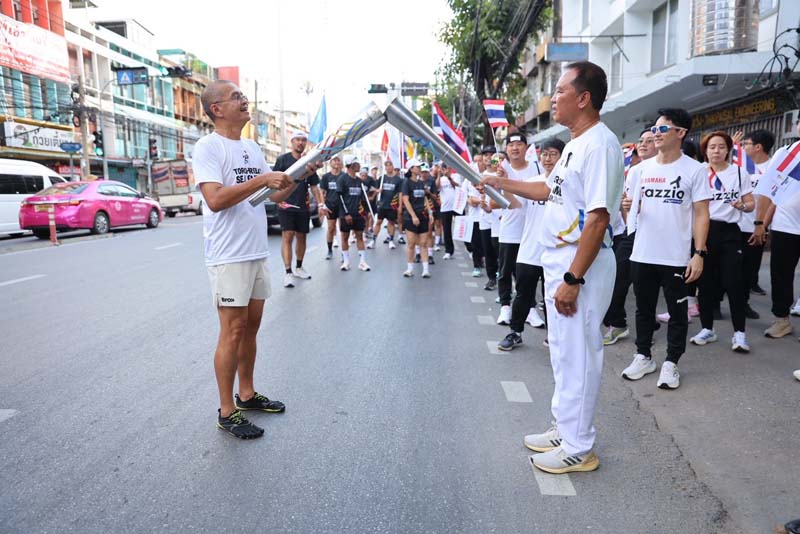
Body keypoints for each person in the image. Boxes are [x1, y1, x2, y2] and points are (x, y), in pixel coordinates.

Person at [483, 61, 623, 474]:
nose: (553, 97)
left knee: (579, 355)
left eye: (560, 90)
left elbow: (598, 218)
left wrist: (573, 279)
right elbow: (548, 190)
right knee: (562, 354)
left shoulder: (600, 144)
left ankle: (580, 447)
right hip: (560, 259)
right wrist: (499, 181)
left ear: (583, 98)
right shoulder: (575, 143)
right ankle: (566, 428)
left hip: (581, 264)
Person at [194, 80, 300, 439]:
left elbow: (272, 194)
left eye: (243, 95)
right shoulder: (207, 147)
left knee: (251, 327)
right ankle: (227, 410)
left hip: (255, 251)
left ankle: (248, 394)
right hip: (228, 255)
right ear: (216, 109)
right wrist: (261, 180)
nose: (243, 100)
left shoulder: (252, 147)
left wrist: (298, 178)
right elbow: (216, 199)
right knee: (232, 330)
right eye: (235, 97)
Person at [619, 109, 711, 389]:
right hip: (643, 252)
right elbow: (631, 214)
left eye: (662, 130)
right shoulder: (639, 170)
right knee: (643, 309)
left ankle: (671, 362)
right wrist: (625, 210)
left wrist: (698, 253)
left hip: (675, 255)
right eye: (654, 131)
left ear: (681, 133)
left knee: (677, 311)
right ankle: (643, 355)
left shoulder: (694, 170)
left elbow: (701, 214)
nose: (656, 136)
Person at [689, 131, 754, 352]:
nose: (716, 151)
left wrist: (742, 206)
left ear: (728, 149)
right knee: (705, 284)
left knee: (733, 282)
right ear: (705, 150)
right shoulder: (697, 172)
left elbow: (751, 203)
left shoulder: (738, 173)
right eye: (711, 147)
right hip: (703, 231)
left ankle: (740, 334)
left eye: (721, 147)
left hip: (729, 232)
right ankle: (708, 329)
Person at [497, 137, 564, 351]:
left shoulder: (568, 182)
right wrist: (505, 183)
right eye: (544, 154)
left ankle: (554, 335)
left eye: (553, 154)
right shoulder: (533, 181)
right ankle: (515, 332)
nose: (547, 158)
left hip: (556, 251)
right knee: (524, 294)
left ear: (562, 157)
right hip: (530, 250)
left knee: (552, 296)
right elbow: (514, 204)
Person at [602, 127, 657, 345]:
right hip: (631, 234)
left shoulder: (673, 170)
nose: (642, 145)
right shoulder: (634, 171)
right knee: (616, 278)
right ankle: (618, 323)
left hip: (658, 237)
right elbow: (627, 204)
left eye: (649, 141)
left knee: (648, 285)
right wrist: (628, 225)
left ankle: (649, 327)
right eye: (641, 141)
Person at [750, 131, 800, 341]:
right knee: (781, 276)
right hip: (785, 226)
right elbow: (768, 191)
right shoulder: (786, 153)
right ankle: (782, 320)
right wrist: (761, 222)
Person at [272, 131, 324, 288]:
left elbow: (314, 186)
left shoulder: (309, 162)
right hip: (286, 205)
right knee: (287, 236)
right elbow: (273, 182)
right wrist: (277, 200)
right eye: (297, 140)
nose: (300, 143)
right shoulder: (283, 160)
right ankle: (288, 272)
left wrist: (321, 204)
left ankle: (299, 267)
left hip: (303, 205)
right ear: (292, 142)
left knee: (302, 237)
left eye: (303, 140)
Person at [494, 132, 533, 325]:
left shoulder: (537, 168)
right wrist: (502, 182)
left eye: (519, 144)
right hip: (510, 230)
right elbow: (493, 203)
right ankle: (505, 307)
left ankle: (530, 308)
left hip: (532, 231)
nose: (515, 148)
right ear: (506, 149)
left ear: (526, 147)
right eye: (511, 145)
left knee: (528, 273)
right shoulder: (501, 170)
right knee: (505, 270)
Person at [740, 129, 774, 309]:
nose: (743, 147)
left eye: (746, 144)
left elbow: (773, 201)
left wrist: (763, 225)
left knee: (750, 268)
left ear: (758, 147)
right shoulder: (740, 167)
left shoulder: (773, 168)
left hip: (757, 226)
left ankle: (743, 304)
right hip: (736, 225)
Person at [336, 156, 371, 272]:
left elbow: (363, 198)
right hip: (346, 215)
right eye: (357, 163)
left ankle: (362, 262)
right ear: (351, 165)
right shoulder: (342, 179)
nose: (359, 166)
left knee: (360, 236)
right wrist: (346, 213)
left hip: (358, 215)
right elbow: (340, 197)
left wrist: (365, 212)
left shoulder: (359, 181)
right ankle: (346, 262)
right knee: (345, 237)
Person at [401, 159, 432, 278]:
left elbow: (425, 199)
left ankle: (425, 270)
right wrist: (413, 216)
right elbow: (405, 200)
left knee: (423, 243)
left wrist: (430, 212)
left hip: (423, 215)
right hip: (410, 217)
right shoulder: (406, 183)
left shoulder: (421, 183)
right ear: (411, 169)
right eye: (417, 167)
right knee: (411, 244)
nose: (420, 169)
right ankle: (409, 269)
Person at [478, 148, 500, 290]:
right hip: (485, 217)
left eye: (491, 155)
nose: (488, 158)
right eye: (485, 155)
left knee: (500, 250)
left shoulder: (501, 174)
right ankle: (492, 278)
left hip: (499, 217)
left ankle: (505, 278)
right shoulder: (478, 176)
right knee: (487, 250)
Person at [371, 159, 402, 249]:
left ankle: (391, 240)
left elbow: (400, 193)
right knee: (379, 222)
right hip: (382, 204)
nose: (388, 167)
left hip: (392, 204)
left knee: (391, 222)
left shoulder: (398, 179)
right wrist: (377, 191)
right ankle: (373, 240)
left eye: (390, 165)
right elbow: (374, 188)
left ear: (393, 166)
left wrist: (399, 205)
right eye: (386, 166)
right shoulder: (382, 178)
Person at [320, 156, 345, 260]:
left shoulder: (344, 176)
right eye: (334, 160)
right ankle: (329, 250)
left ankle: (344, 252)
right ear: (330, 163)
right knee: (330, 228)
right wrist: (322, 204)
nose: (336, 162)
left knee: (343, 229)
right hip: (330, 206)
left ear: (341, 163)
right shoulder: (326, 177)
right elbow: (321, 191)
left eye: (338, 160)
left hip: (342, 206)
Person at [438, 164, 458, 259]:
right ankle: (449, 251)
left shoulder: (456, 176)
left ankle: (470, 249)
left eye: (448, 168)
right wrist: (439, 175)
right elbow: (437, 187)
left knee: (462, 228)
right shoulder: (441, 179)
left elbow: (457, 187)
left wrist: (449, 178)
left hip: (457, 206)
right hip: (445, 208)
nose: (446, 170)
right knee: (447, 230)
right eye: (444, 169)